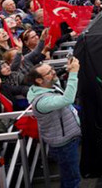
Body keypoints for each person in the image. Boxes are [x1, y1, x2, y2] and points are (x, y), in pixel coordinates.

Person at [26, 58, 82, 188]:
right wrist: (73, 74)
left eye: (52, 69)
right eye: (49, 72)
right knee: (72, 180)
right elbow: (67, 99)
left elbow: (57, 78)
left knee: (68, 177)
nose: (53, 73)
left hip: (68, 138)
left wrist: (67, 69)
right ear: (39, 81)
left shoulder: (49, 86)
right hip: (64, 144)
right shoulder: (41, 102)